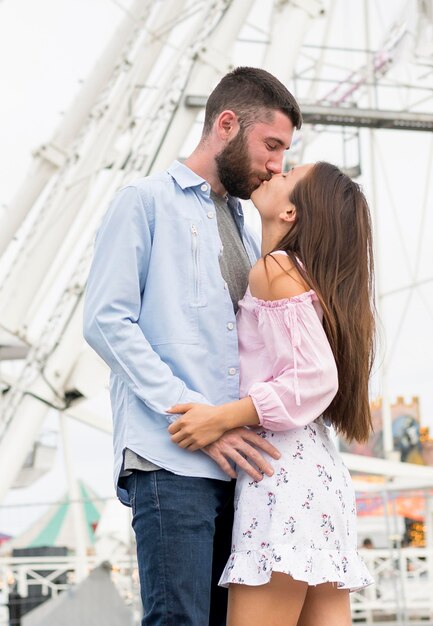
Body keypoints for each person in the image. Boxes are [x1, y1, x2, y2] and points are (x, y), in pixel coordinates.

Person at [83, 66, 302, 626]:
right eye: (271, 145)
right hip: (170, 458)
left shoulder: (247, 227)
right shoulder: (143, 201)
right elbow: (106, 321)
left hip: (239, 466)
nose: (277, 165)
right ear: (226, 124)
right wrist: (195, 413)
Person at [167, 161, 376, 625]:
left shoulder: (276, 269)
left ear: (290, 214)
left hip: (280, 475)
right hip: (317, 478)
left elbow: (314, 378)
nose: (273, 172)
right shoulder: (307, 278)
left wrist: (221, 417)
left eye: (287, 177)